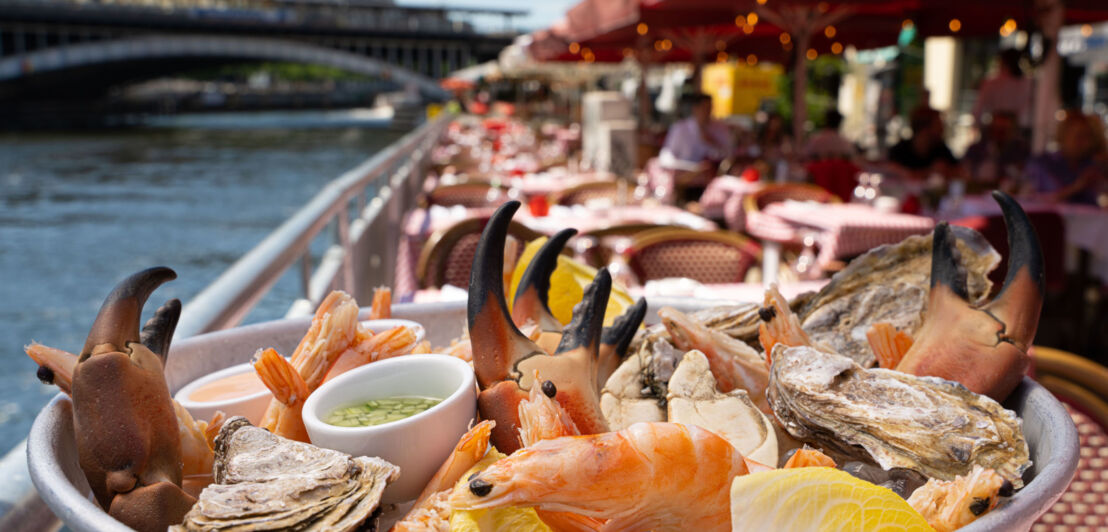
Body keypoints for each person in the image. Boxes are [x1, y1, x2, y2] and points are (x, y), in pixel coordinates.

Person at [1023, 111, 1107, 205]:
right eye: (1078, 135)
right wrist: (1078, 186)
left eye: (1087, 137)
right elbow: (1037, 200)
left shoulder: (1092, 166)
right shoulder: (1042, 163)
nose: (1082, 142)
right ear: (1062, 135)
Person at [659, 92, 733, 168]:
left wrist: (712, 142)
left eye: (709, 108)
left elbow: (729, 154)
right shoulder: (680, 128)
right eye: (704, 108)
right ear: (695, 109)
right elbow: (666, 157)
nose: (707, 112)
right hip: (684, 173)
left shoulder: (720, 128)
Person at [888, 106, 960, 179]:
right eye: (938, 124)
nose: (942, 129)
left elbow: (960, 172)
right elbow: (894, 174)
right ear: (925, 128)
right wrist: (929, 172)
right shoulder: (900, 151)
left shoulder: (941, 149)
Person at [963, 111, 1029, 188]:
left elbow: (1025, 174)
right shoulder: (976, 149)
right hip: (980, 191)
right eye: (997, 128)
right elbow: (965, 171)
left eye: (1004, 129)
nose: (1000, 133)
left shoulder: (1020, 149)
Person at [972, 49, 1033, 130]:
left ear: (1003, 62)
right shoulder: (1026, 84)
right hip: (1014, 129)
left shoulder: (992, 83)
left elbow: (978, 110)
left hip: (1000, 128)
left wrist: (979, 126)